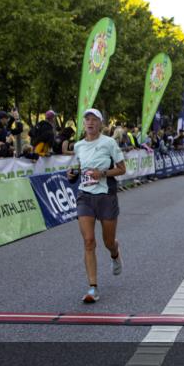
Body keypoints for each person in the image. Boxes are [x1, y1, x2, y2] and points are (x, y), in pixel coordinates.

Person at [67, 109, 126, 304]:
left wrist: (101, 173)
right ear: (83, 124)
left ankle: (115, 252)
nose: (90, 123)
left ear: (100, 124)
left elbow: (122, 169)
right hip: (85, 196)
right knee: (89, 241)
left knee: (108, 241)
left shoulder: (109, 143)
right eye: (87, 120)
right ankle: (93, 288)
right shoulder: (78, 146)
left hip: (106, 196)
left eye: (94, 120)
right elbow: (77, 168)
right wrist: (72, 174)